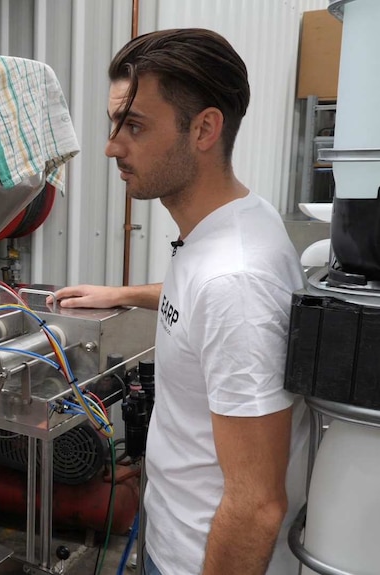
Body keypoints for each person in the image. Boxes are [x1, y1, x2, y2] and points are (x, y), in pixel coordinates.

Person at [53, 29, 309, 575]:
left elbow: (258, 506)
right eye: (113, 123)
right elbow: (196, 298)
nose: (111, 146)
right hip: (172, 537)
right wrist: (124, 294)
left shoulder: (234, 281)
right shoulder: (233, 223)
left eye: (135, 126)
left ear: (204, 129)